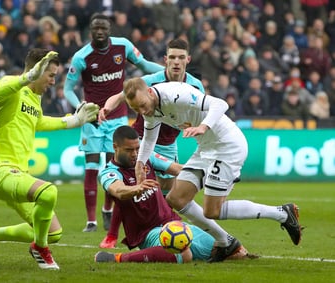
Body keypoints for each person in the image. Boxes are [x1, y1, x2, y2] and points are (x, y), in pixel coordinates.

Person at [123, 78, 302, 262]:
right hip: (206, 148)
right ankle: (226, 243)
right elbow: (149, 136)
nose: (142, 111)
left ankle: (282, 213)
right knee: (177, 198)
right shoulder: (149, 107)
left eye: (143, 105)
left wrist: (203, 126)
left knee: (212, 210)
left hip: (227, 145)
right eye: (136, 109)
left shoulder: (176, 95)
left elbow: (220, 103)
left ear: (150, 92)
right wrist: (140, 164)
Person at [0, 49, 99, 270]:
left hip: (17, 174)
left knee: (53, 232)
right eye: (50, 75)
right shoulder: (12, 89)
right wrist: (26, 78)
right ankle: (40, 249)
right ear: (35, 71)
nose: (52, 81)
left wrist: (74, 121)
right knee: (48, 192)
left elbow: (38, 122)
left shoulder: (34, 98)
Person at [98, 38, 205, 248]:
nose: (176, 62)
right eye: (172, 57)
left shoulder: (195, 85)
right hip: (143, 140)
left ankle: (166, 229)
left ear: (187, 60)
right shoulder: (151, 81)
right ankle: (112, 234)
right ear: (165, 59)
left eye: (181, 58)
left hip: (169, 143)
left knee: (166, 192)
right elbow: (119, 96)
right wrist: (107, 108)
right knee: (136, 185)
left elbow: (201, 113)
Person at [63, 13, 163, 233]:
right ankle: (91, 221)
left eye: (104, 28)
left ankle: (107, 210)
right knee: (90, 168)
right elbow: (67, 89)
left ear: (110, 29)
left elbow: (145, 65)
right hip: (92, 118)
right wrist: (79, 106)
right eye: (96, 28)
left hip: (117, 116)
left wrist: (167, 72)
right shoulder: (81, 57)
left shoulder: (123, 46)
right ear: (90, 30)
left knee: (112, 166)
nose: (100, 31)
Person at [94, 125, 252, 263]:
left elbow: (178, 168)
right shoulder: (109, 172)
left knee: (228, 250)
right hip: (148, 232)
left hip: (173, 223)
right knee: (184, 254)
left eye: (137, 148)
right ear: (115, 147)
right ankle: (117, 258)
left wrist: (213, 174)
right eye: (129, 150)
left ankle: (155, 255)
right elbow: (118, 190)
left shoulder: (146, 156)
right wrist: (137, 188)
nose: (135, 154)